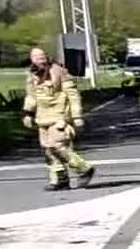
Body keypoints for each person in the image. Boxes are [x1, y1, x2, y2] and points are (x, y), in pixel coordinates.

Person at [22, 47, 95, 192]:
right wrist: (27, 113)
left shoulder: (59, 72)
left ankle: (84, 169)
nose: (40, 59)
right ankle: (60, 179)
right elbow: (31, 96)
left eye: (42, 55)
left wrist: (77, 116)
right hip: (42, 118)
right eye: (36, 57)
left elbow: (73, 96)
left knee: (58, 145)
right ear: (31, 59)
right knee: (48, 150)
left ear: (47, 56)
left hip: (60, 117)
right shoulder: (32, 75)